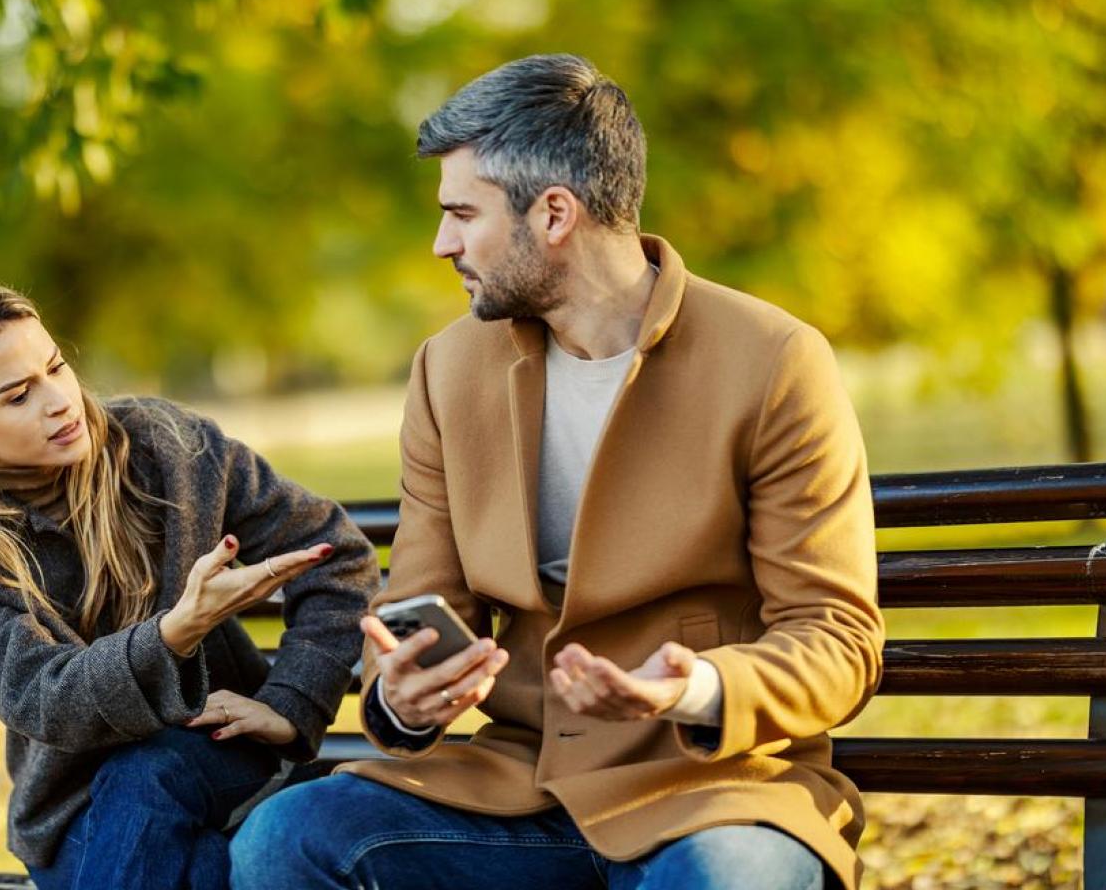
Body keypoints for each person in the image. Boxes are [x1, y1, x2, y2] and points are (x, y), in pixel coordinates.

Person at [231, 53, 884, 890]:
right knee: (289, 838)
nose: (442, 244)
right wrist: (403, 694)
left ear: (554, 213)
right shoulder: (447, 370)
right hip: (521, 792)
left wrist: (698, 689)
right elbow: (421, 609)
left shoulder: (774, 361)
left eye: (463, 214)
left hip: (720, 793)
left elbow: (836, 637)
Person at [0, 274, 378, 890]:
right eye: (18, 396)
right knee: (204, 868)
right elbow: (45, 699)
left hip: (229, 762)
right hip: (77, 813)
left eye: (56, 368)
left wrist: (293, 703)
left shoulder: (167, 449)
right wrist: (175, 633)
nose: (61, 401)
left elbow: (338, 556)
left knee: (151, 772)